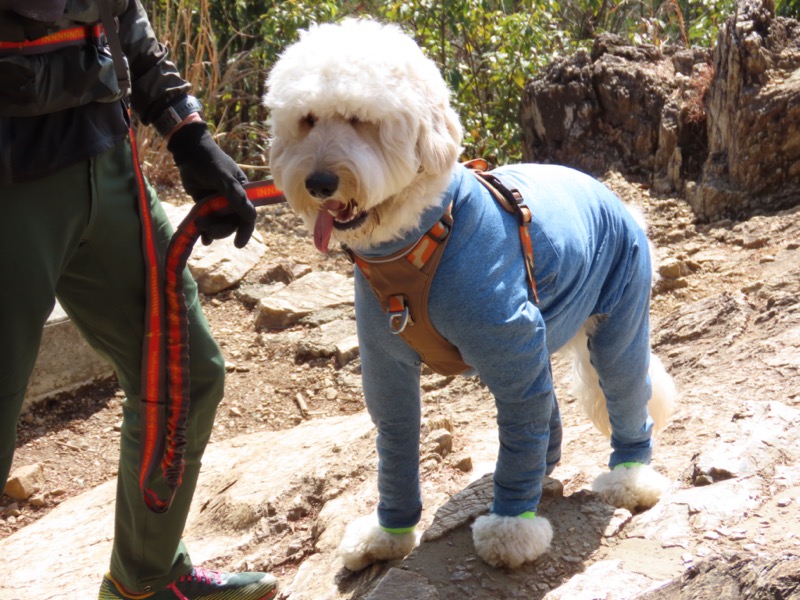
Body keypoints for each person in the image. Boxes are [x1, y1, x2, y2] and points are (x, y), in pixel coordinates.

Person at [0, 1, 277, 598]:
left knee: (184, 372)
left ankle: (148, 579)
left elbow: (121, 13)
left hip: (104, 151)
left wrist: (187, 130)